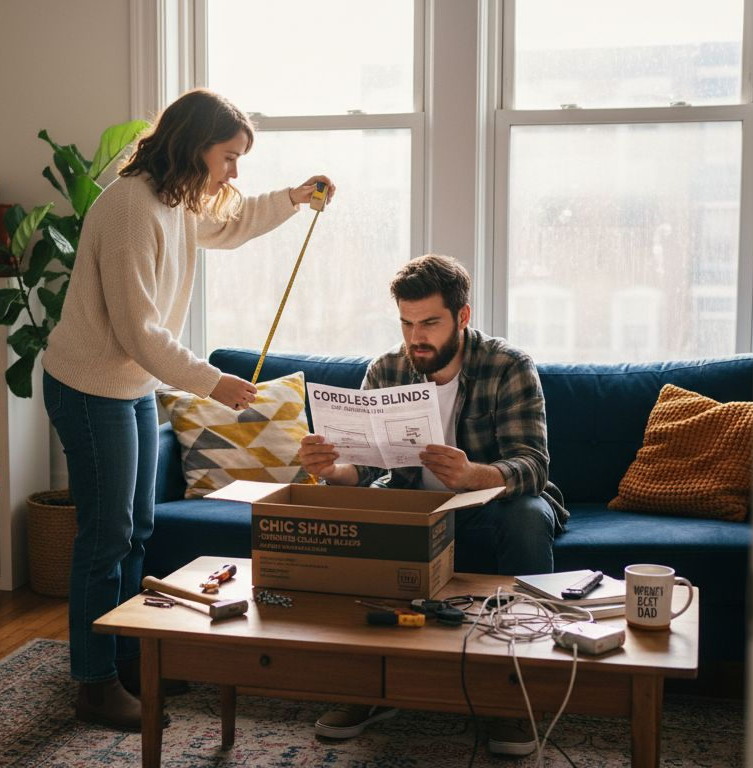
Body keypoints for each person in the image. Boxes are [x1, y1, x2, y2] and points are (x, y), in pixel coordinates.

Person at [41, 88, 335, 731]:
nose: (234, 173)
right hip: (90, 386)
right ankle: (93, 684)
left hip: (130, 386)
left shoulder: (175, 201)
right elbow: (138, 330)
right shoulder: (129, 207)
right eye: (228, 157)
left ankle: (123, 660)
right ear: (192, 146)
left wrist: (294, 197)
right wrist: (213, 383)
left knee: (139, 528)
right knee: (105, 536)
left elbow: (232, 224)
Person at [297, 253, 566, 756]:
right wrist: (333, 469)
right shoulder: (387, 369)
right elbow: (369, 470)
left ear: (462, 317)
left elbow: (533, 466)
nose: (415, 336)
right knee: (355, 511)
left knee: (529, 517)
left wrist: (472, 475)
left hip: (491, 506)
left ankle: (516, 695)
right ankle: (369, 688)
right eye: (406, 322)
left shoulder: (508, 365)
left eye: (429, 323)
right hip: (412, 506)